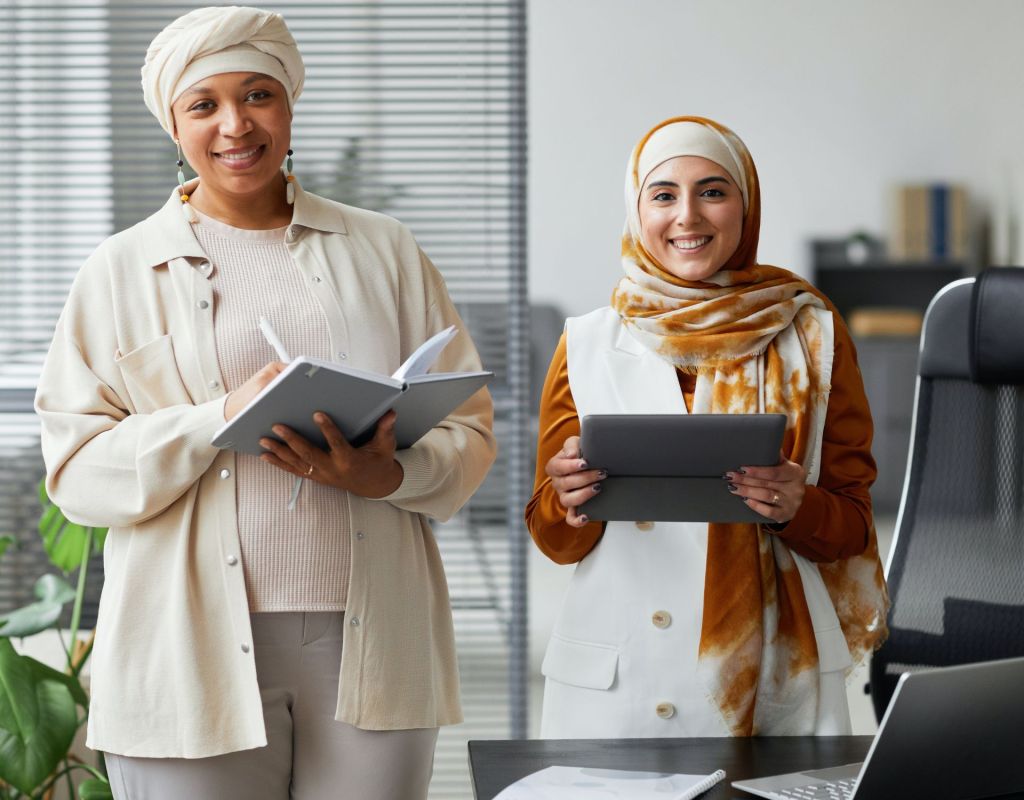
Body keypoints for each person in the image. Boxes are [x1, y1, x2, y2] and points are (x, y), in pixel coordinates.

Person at [35, 7, 496, 799]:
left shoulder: (384, 249)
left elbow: (468, 430)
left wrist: (385, 475)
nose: (235, 125)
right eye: (204, 104)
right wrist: (215, 418)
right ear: (174, 126)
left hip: (372, 638)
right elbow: (77, 473)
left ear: (289, 106)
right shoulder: (116, 271)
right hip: (182, 646)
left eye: (258, 95)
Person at [525, 116, 888, 739]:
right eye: (663, 195)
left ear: (745, 206)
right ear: (637, 211)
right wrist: (567, 500)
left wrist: (794, 506)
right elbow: (554, 542)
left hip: (775, 679)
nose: (688, 216)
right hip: (620, 685)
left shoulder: (813, 336)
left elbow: (853, 525)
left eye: (713, 191)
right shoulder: (585, 343)